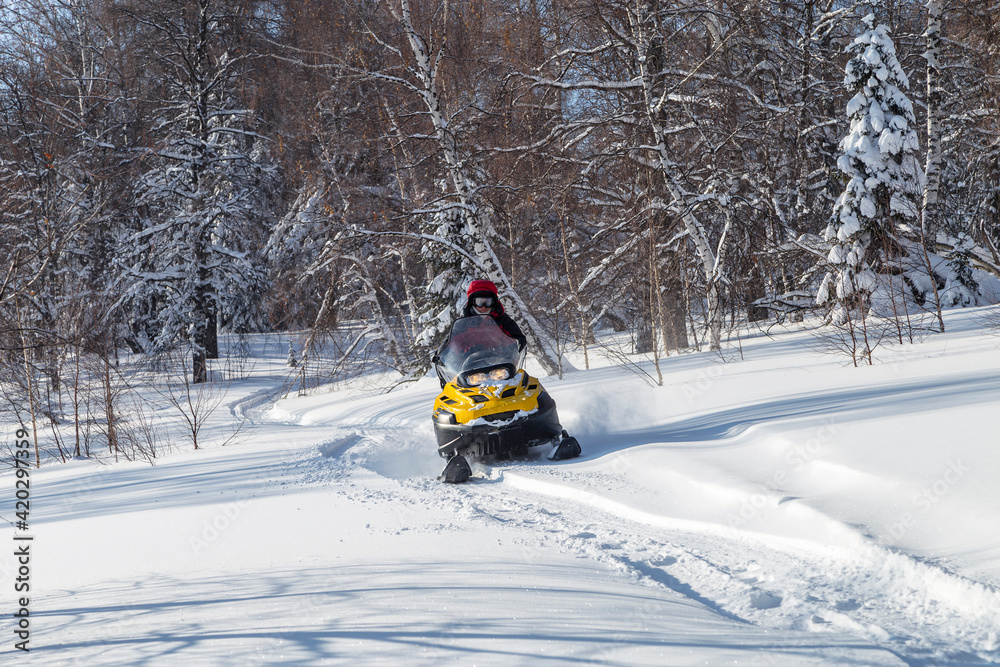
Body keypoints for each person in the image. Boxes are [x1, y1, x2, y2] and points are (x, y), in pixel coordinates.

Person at [463, 279, 527, 350]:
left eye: (488, 302)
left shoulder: (503, 320)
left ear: (493, 302)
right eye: (479, 302)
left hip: (500, 359)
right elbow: (452, 346)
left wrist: (506, 349)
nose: (483, 306)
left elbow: (517, 339)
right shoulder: (464, 323)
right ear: (472, 302)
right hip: (471, 360)